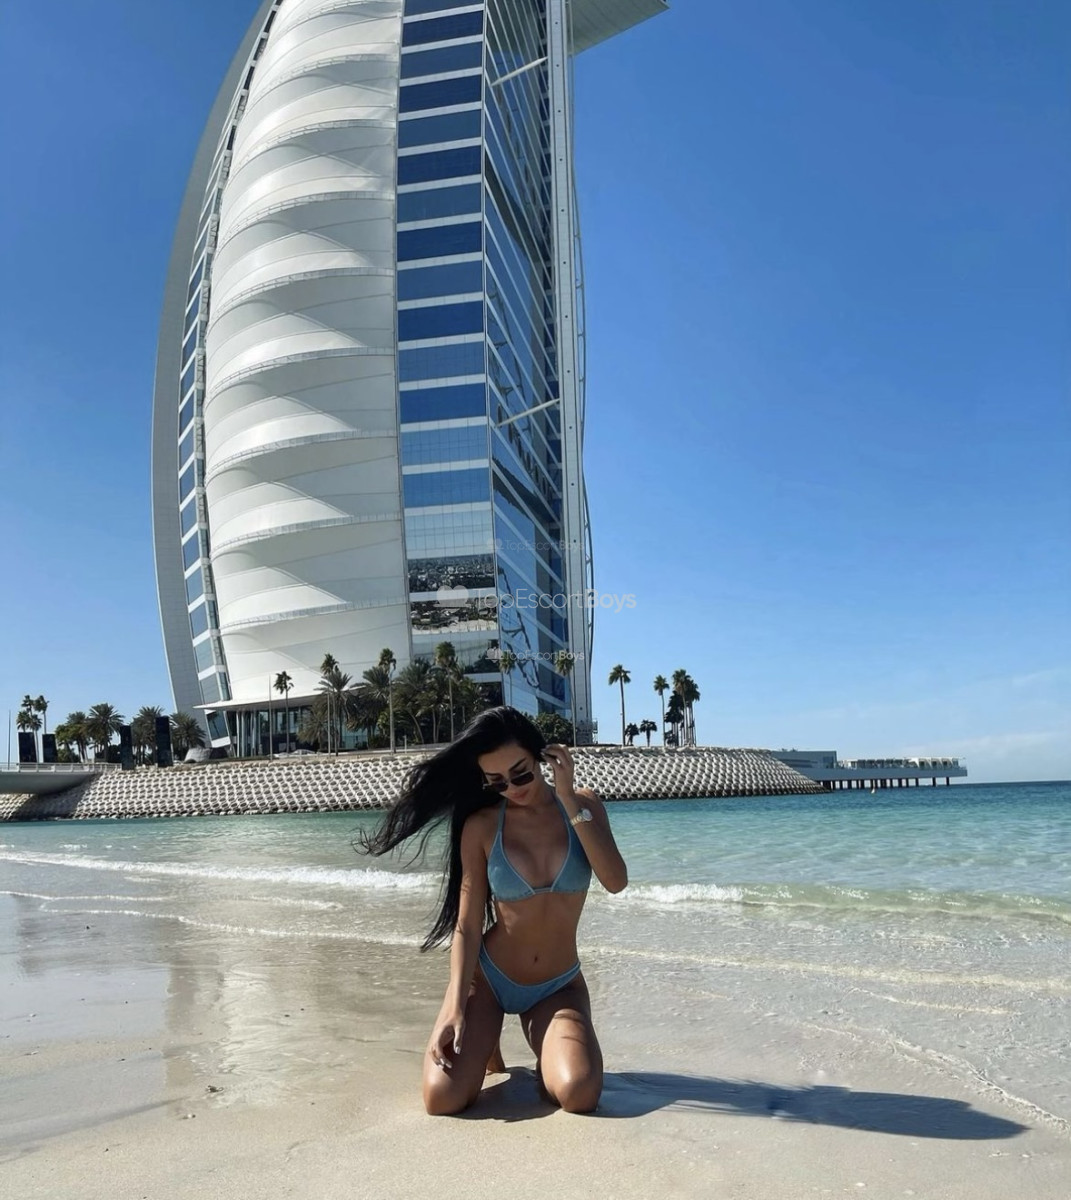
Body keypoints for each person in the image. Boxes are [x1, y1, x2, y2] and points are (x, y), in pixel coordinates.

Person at [359, 706, 628, 1115]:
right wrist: (454, 1007)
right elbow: (467, 924)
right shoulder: (483, 825)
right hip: (488, 980)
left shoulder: (584, 806)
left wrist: (568, 797)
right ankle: (488, 1036)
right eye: (497, 781)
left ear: (541, 757)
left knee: (579, 1094)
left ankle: (543, 1052)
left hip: (557, 986)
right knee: (442, 1099)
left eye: (521, 774)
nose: (512, 788)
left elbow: (615, 880)